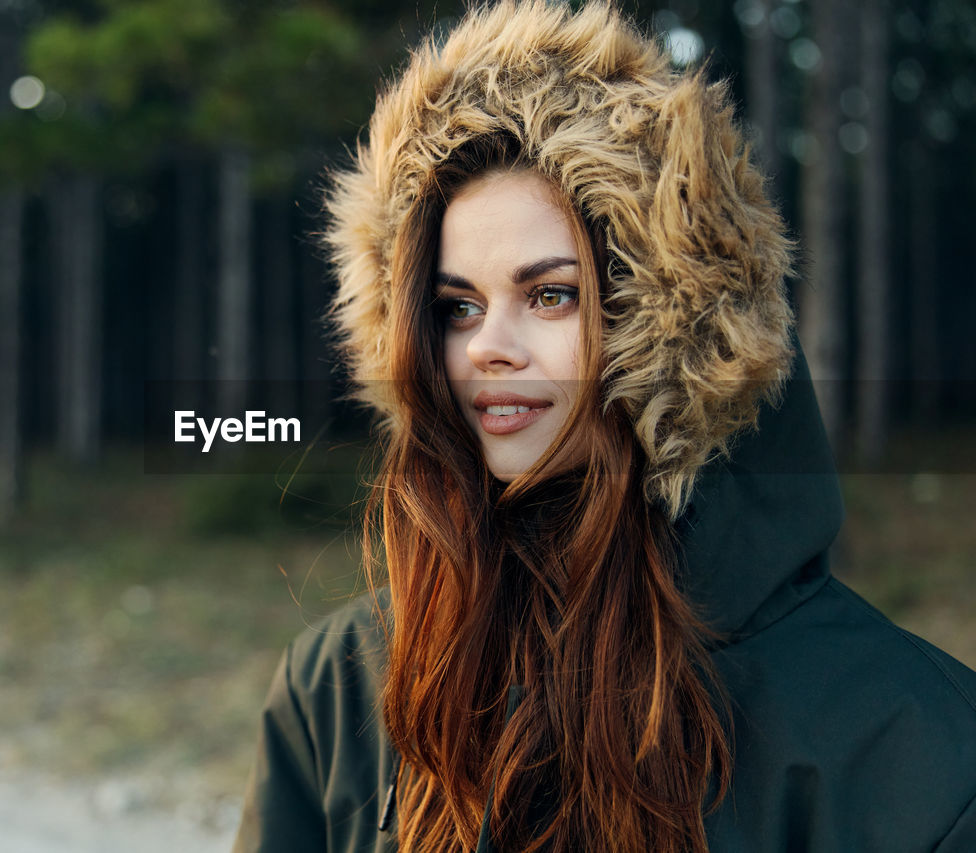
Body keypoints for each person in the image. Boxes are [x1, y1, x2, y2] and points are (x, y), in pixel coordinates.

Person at [232, 2, 976, 851]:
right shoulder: (342, 690)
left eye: (551, 294)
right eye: (455, 307)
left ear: (674, 321)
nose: (487, 348)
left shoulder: (915, 747)